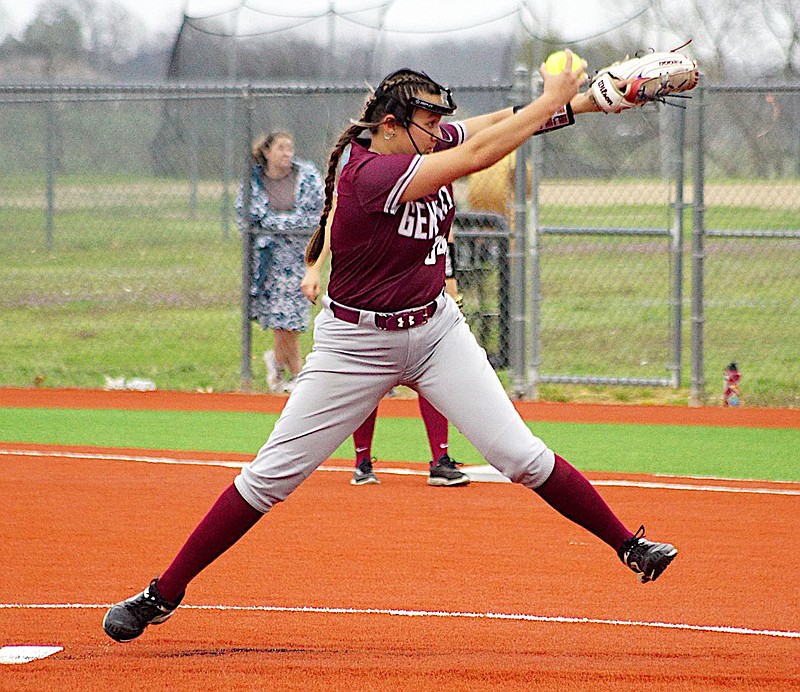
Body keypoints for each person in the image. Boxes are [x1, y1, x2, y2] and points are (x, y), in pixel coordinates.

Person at [103, 53, 678, 644]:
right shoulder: (370, 174)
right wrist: (548, 96)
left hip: (435, 332)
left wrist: (594, 99)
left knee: (522, 456)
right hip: (355, 344)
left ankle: (630, 547)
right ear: (389, 124)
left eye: (437, 121)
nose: (439, 130)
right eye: (426, 121)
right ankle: (162, 593)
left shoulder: (415, 143)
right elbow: (481, 154)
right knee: (269, 477)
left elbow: (488, 128)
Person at [303, 230, 468, 486]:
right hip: (372, 297)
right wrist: (314, 269)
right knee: (366, 380)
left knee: (432, 373)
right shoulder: (367, 191)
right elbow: (333, 221)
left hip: (417, 296)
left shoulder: (430, 193)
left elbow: (444, 237)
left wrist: (450, 284)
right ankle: (362, 463)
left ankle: (440, 460)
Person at [237, 131, 324, 392]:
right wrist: (280, 225)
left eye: (290, 147)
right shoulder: (253, 180)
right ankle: (295, 374)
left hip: (301, 256)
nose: (287, 153)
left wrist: (275, 223)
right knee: (279, 319)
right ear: (267, 151)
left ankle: (279, 365)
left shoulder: (307, 176)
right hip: (268, 260)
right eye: (281, 148)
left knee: (293, 318)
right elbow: (248, 216)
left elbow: (315, 215)